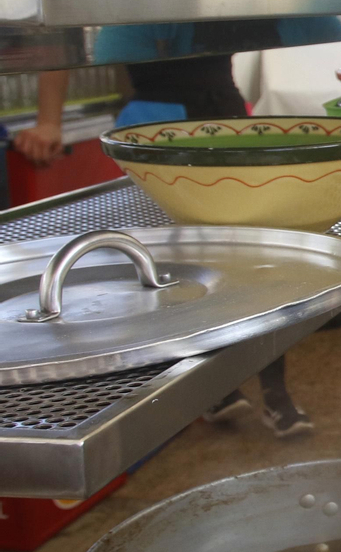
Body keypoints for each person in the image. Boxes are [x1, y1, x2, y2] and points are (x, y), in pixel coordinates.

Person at [13, 59, 311, 438]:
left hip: (226, 116)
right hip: (158, 124)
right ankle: (216, 389)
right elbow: (61, 45)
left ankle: (272, 392)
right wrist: (49, 120)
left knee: (258, 262)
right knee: (180, 269)